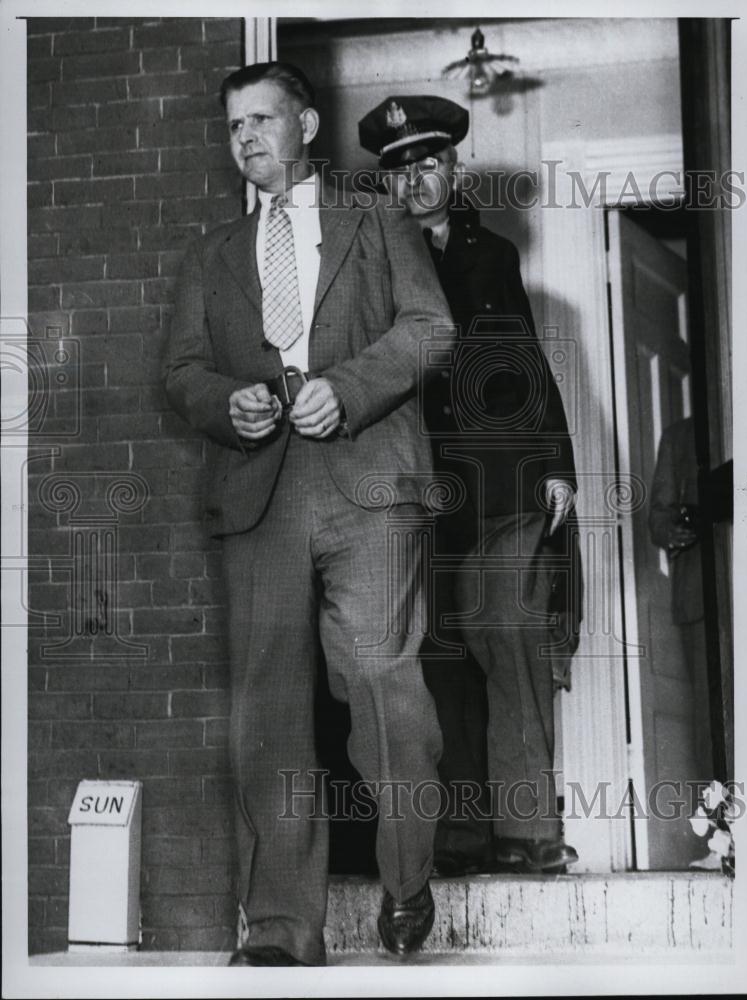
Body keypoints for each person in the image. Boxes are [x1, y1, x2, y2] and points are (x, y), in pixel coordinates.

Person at [163, 63, 454, 966]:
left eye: (262, 118)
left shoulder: (378, 219)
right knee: (268, 710)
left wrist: (349, 388)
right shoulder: (211, 254)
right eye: (234, 125)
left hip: (367, 482)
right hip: (259, 494)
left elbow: (429, 327)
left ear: (307, 125)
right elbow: (180, 373)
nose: (246, 136)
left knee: (380, 680)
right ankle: (284, 927)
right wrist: (227, 404)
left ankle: (406, 877)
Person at [358, 95, 582, 876]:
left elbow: (525, 361)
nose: (415, 180)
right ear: (384, 183)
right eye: (398, 170)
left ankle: (528, 831)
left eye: (429, 163)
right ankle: (458, 839)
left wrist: (556, 464)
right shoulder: (368, 260)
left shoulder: (493, 257)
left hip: (504, 482)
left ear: (454, 169)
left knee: (512, 638)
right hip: (413, 488)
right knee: (437, 659)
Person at [648, 415, 712, 777]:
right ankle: (722, 810)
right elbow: (658, 517)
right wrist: (672, 530)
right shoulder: (678, 436)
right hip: (698, 595)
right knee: (709, 713)